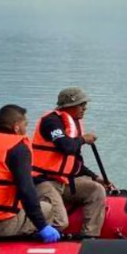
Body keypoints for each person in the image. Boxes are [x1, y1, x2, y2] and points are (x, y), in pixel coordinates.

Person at [0, 105, 60, 243]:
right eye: (25, 125)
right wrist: (42, 226)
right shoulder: (18, 149)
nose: (26, 130)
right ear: (16, 127)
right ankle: (28, 251)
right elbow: (26, 191)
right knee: (47, 209)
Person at [32, 87, 110, 238]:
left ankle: (89, 237)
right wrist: (83, 139)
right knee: (60, 222)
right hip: (43, 182)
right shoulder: (52, 122)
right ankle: (31, 239)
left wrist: (95, 177)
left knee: (96, 190)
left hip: (63, 182)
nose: (85, 108)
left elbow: (73, 162)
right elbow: (66, 146)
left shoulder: (73, 125)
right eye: (82, 104)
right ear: (69, 106)